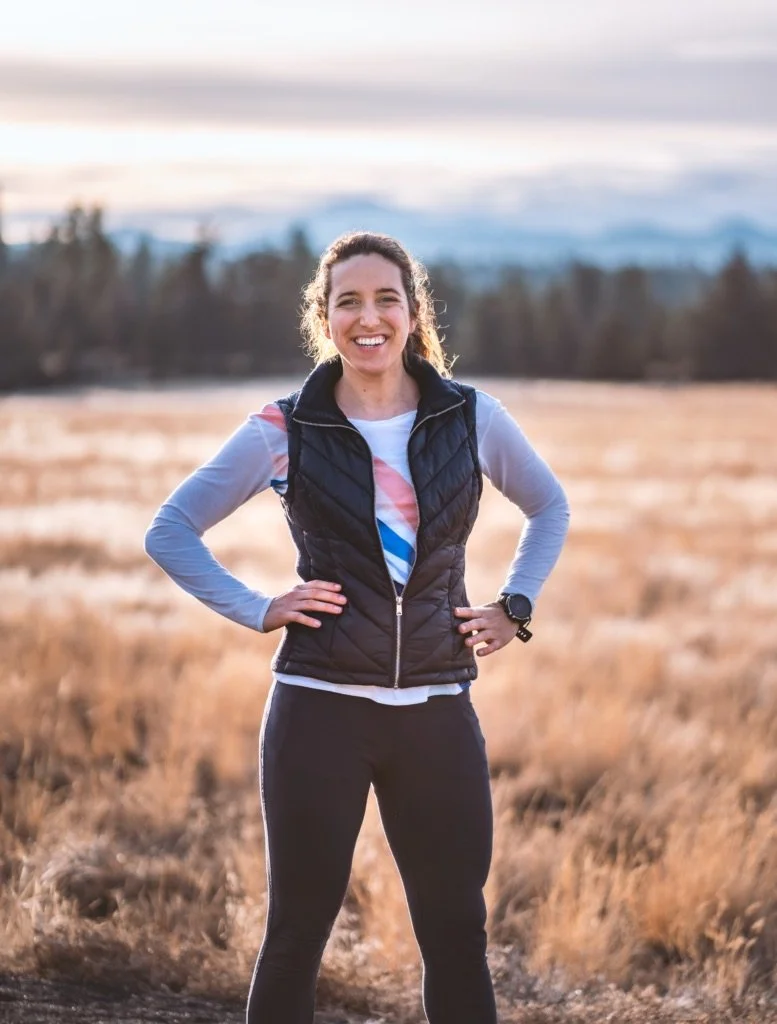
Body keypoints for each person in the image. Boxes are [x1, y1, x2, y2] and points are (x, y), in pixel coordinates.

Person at [144, 231, 570, 1024]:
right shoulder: (284, 426)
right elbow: (170, 530)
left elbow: (549, 506)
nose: (367, 318)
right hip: (318, 710)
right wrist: (260, 607)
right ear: (323, 315)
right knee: (297, 934)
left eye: (386, 300)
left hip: (439, 711)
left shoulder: (471, 416)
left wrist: (515, 606)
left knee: (455, 934)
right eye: (348, 301)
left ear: (412, 313)